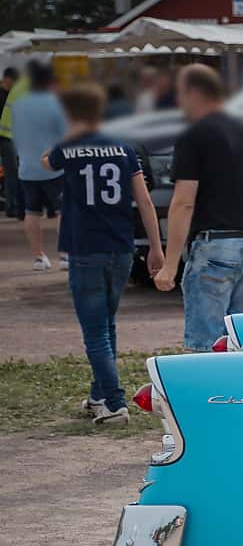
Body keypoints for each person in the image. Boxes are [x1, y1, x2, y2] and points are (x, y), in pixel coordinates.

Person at [42, 83, 164, 424]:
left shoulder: (69, 147)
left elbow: (45, 162)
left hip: (86, 249)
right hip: (120, 247)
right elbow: (144, 201)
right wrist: (155, 247)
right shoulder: (124, 150)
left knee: (95, 332)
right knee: (107, 324)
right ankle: (98, 395)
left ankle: (114, 402)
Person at [153, 64, 243, 351]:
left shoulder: (195, 135)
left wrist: (170, 265)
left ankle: (209, 397)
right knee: (242, 344)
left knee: (206, 346)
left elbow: (183, 202)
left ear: (194, 93)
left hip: (216, 245)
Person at [12, 60, 70, 270]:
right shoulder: (55, 103)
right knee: (62, 212)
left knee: (31, 212)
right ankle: (64, 255)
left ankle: (39, 257)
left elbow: (15, 136)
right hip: (54, 167)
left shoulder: (18, 104)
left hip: (26, 168)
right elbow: (65, 135)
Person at [0, 65, 18, 223]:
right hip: (5, 138)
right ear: (6, 79)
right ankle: (11, 205)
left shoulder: (13, 95)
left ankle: (11, 206)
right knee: (11, 173)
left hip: (8, 138)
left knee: (11, 174)